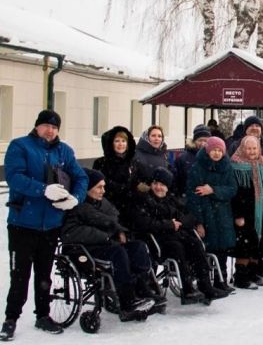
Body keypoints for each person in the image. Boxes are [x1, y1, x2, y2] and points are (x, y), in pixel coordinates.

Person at [1, 110, 89, 341]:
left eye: (55, 127)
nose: (50, 131)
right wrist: (42, 189)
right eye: (46, 126)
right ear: (37, 126)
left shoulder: (64, 151)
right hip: (23, 224)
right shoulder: (20, 146)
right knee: (20, 275)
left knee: (44, 274)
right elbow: (14, 177)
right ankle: (11, 319)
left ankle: (43, 315)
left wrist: (76, 198)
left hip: (51, 224)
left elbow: (81, 177)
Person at [61, 169, 158, 322]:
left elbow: (113, 219)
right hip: (86, 249)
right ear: (88, 188)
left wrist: (119, 230)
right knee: (119, 254)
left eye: (104, 186)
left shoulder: (102, 203)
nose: (103, 191)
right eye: (99, 187)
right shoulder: (76, 207)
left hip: (108, 244)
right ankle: (127, 301)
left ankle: (142, 288)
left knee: (137, 247)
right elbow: (72, 232)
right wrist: (106, 235)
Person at [130, 167, 228, 304]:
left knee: (195, 243)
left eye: (162, 185)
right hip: (158, 240)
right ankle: (187, 289)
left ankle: (205, 285)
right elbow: (143, 222)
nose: (158, 187)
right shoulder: (144, 200)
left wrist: (180, 222)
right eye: (155, 183)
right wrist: (169, 224)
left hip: (178, 235)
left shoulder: (172, 200)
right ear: (151, 184)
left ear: (168, 187)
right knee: (177, 247)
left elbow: (190, 216)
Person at [185, 137, 238, 293]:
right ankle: (206, 282)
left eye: (220, 150)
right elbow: (193, 196)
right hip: (205, 212)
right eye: (214, 150)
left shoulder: (227, 166)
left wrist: (213, 190)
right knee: (207, 249)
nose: (217, 153)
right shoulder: (197, 167)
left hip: (223, 214)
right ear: (208, 150)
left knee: (222, 249)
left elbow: (232, 189)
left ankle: (221, 280)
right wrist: (198, 222)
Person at [230, 136, 263, 290]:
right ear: (242, 148)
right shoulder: (235, 166)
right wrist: (238, 215)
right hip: (244, 212)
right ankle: (241, 277)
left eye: (255, 148)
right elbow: (234, 193)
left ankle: (253, 273)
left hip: (259, 212)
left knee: (256, 243)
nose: (252, 151)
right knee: (244, 245)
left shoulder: (262, 164)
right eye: (249, 148)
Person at [92, 125, 136, 224]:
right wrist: (123, 188)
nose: (121, 144)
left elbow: (136, 181)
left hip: (131, 208)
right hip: (109, 207)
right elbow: (102, 183)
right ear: (111, 143)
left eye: (123, 141)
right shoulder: (101, 162)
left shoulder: (133, 162)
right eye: (117, 141)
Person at [174, 124, 212, 199]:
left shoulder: (214, 157)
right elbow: (176, 182)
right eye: (200, 140)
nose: (203, 144)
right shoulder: (182, 158)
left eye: (206, 141)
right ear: (194, 141)